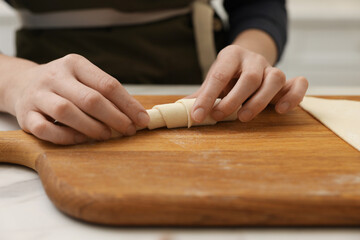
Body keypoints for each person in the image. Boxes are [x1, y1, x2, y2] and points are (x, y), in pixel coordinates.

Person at [0, 0, 308, 145]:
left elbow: (258, 5)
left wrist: (252, 55)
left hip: (198, 77)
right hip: (44, 92)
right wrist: (14, 81)